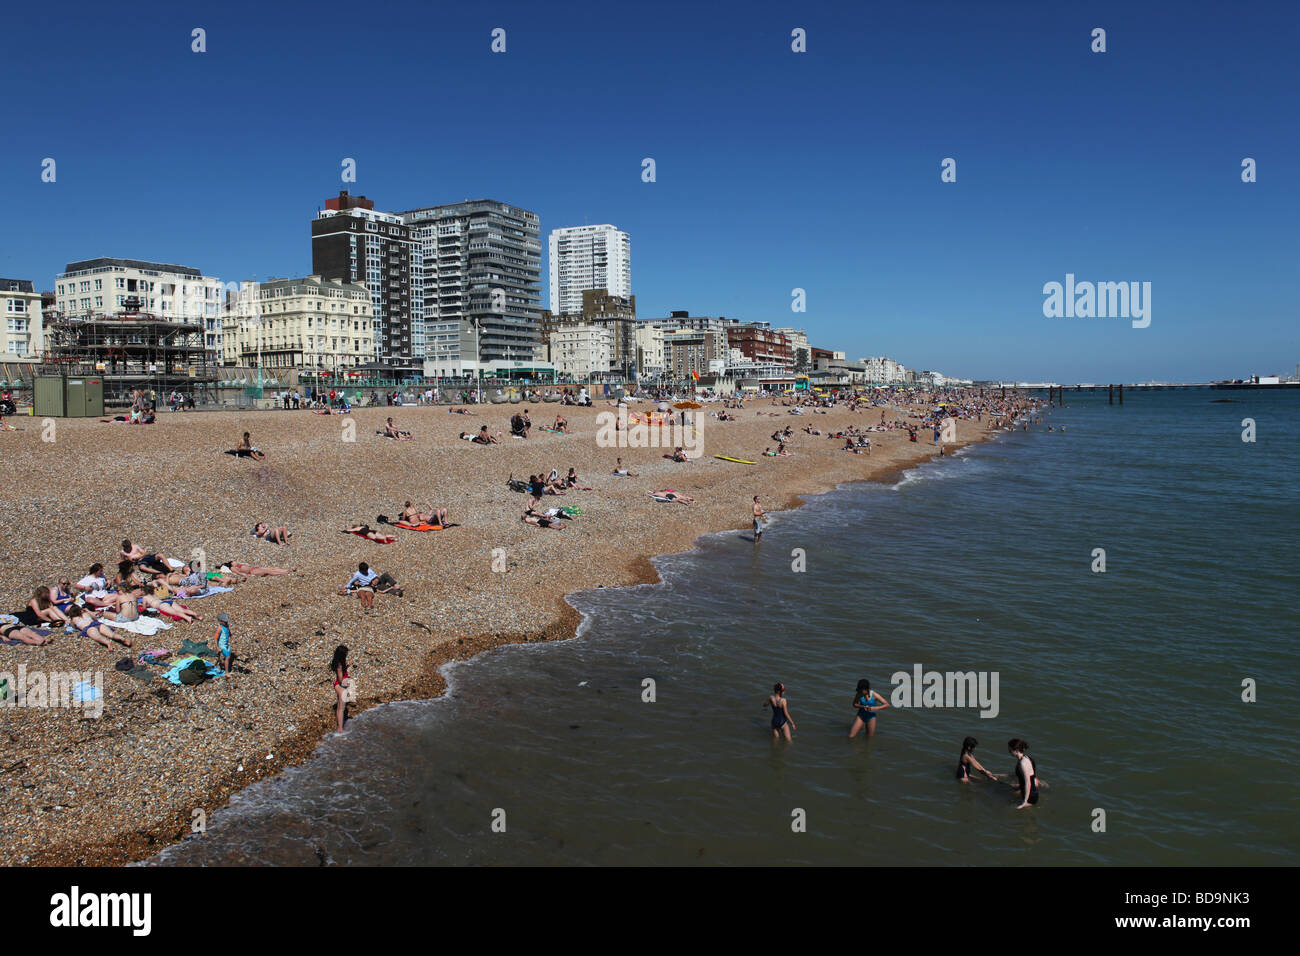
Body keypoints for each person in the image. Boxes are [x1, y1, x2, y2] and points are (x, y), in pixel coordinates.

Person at [1008, 738, 1041, 809]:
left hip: (1030, 798)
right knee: (1008, 788)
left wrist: (1025, 801)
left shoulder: (1022, 764)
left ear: (1016, 751)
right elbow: (1032, 776)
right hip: (1032, 792)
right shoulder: (1027, 758)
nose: (1009, 752)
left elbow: (1028, 782)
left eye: (1010, 750)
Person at [331, 645, 354, 732]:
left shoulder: (338, 662)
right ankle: (340, 728)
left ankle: (340, 727)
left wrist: (348, 666)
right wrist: (347, 682)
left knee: (340, 707)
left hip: (339, 685)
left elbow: (342, 673)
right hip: (340, 686)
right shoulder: (339, 665)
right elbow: (340, 679)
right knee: (341, 708)